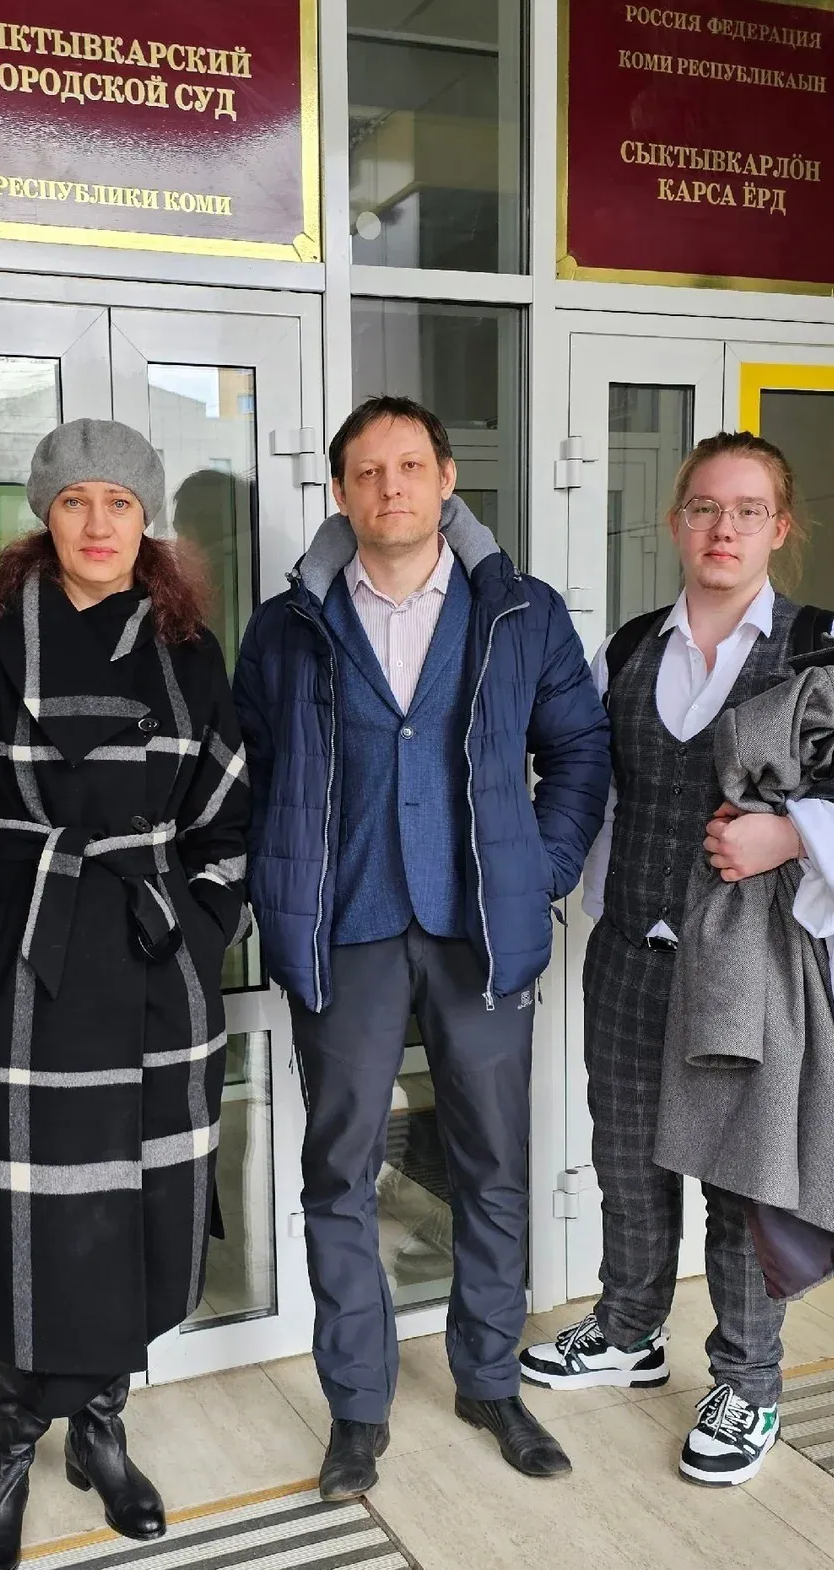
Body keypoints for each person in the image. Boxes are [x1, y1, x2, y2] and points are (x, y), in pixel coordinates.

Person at [521, 431, 834, 1484]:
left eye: (748, 510)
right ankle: (629, 1329)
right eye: (705, 507)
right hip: (630, 953)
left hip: (750, 973)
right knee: (627, 1160)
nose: (723, 528)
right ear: (675, 523)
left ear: (779, 528)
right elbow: (602, 797)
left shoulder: (830, 651)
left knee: (741, 1185)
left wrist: (793, 835)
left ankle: (748, 1383)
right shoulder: (629, 649)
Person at [234, 395, 611, 1502]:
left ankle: (489, 1379)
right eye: (367, 471)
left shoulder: (521, 612)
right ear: (341, 492)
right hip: (343, 929)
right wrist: (274, 879)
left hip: (478, 926)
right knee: (340, 1170)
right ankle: (358, 1406)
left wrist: (542, 868)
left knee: (492, 1162)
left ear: (448, 479)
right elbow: (248, 772)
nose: (389, 486)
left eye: (409, 466)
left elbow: (580, 752)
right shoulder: (288, 625)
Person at [0, 417, 249, 1570]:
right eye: (74, 502)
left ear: (147, 521)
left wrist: (195, 933)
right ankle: (8, 1456)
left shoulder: (190, 651)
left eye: (120, 503)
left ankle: (101, 1431)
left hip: (153, 974)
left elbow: (228, 822)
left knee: (137, 1215)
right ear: (41, 516)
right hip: (23, 976)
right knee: (25, 1227)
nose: (98, 523)